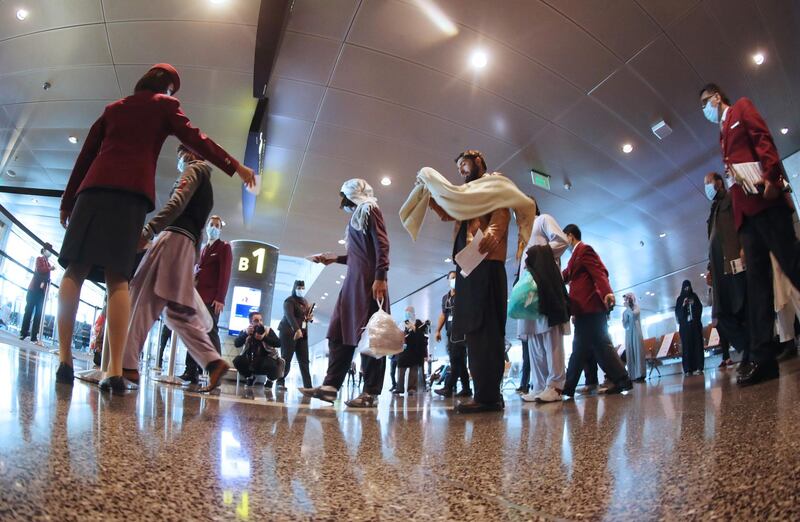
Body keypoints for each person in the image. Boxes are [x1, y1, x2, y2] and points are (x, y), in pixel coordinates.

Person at [56, 63, 255, 392]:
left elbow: (86, 155)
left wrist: (67, 200)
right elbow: (198, 139)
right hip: (130, 195)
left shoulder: (112, 109)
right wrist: (235, 165)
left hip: (91, 192)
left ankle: (65, 359)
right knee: (119, 279)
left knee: (74, 270)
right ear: (168, 90)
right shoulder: (165, 105)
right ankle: (116, 370)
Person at [699, 82, 800, 386]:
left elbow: (762, 137)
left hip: (766, 201)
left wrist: (771, 175)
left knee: (792, 262)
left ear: (717, 97)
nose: (704, 109)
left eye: (705, 102)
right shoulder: (721, 134)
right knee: (758, 287)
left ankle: (763, 354)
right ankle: (763, 358)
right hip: (747, 218)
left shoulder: (741, 107)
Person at [122, 145, 237, 393]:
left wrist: (149, 230)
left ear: (192, 153)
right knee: (177, 312)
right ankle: (212, 361)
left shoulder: (194, 171)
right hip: (186, 247)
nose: (180, 158)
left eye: (182, 152)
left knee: (142, 297)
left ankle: (127, 365)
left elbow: (177, 202)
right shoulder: (207, 183)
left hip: (173, 238)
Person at [428, 150, 512, 413]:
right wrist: (430, 198)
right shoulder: (466, 195)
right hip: (468, 265)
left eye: (464, 165)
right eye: (460, 168)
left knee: (487, 330)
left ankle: (489, 397)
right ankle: (483, 395)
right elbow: (449, 213)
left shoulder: (493, 183)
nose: (462, 171)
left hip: (486, 262)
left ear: (477, 161)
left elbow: (501, 215)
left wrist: (488, 239)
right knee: (474, 332)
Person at [300, 179, 390, 408]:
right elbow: (359, 255)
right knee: (339, 330)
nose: (344, 204)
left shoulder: (370, 209)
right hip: (353, 282)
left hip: (368, 282)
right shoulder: (359, 215)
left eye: (345, 198)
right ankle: (331, 386)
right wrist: (335, 259)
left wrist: (381, 276)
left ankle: (371, 392)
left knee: (372, 337)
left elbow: (382, 244)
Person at [561, 224, 632, 397]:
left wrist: (607, 292)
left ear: (570, 236)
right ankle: (622, 380)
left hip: (590, 306)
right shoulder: (573, 258)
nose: (564, 243)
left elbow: (598, 272)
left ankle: (567, 388)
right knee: (600, 346)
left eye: (564, 238)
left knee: (581, 348)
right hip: (584, 309)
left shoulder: (585, 250)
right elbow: (566, 275)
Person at [518, 205, 570, 403]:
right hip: (529, 290)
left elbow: (561, 241)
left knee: (550, 333)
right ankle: (539, 385)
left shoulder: (542, 220)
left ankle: (555, 386)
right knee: (533, 336)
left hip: (545, 283)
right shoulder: (522, 235)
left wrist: (539, 255)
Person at [179, 214, 233, 384]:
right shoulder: (203, 249)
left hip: (211, 299)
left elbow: (225, 273)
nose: (213, 228)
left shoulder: (224, 247)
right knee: (194, 332)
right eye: (211, 224)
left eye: (217, 225)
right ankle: (191, 370)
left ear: (221, 229)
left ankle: (216, 371)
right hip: (197, 296)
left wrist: (220, 298)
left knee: (210, 332)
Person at [704, 171, 749, 368]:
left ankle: (751, 352)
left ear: (719, 183)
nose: (706, 187)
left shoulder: (730, 198)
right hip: (719, 270)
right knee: (721, 316)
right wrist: (709, 268)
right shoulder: (713, 211)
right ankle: (748, 348)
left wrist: (743, 247)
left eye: (708, 182)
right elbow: (712, 241)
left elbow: (742, 222)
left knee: (741, 309)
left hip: (734, 263)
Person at [434, 271, 471, 398]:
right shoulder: (446, 298)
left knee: (455, 360)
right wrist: (438, 330)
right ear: (448, 280)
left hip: (461, 333)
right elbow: (443, 315)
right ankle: (466, 388)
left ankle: (448, 387)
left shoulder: (464, 295)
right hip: (450, 334)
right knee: (459, 362)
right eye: (452, 278)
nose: (454, 280)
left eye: (455, 278)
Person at [277, 280, 313, 389]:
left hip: (302, 334)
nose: (301, 290)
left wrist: (309, 318)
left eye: (302, 288)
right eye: (299, 288)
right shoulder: (289, 301)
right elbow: (289, 316)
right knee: (286, 358)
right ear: (294, 288)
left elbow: (304, 317)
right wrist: (297, 329)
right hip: (288, 333)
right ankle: (280, 381)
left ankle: (308, 386)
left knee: (304, 360)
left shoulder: (304, 302)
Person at [232, 311, 283, 387]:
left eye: (261, 320)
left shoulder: (267, 330)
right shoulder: (245, 331)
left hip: (267, 359)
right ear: (250, 322)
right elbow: (237, 344)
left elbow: (278, 343)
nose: (259, 323)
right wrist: (245, 334)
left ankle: (270, 381)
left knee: (272, 364)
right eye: (256, 321)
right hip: (250, 360)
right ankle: (250, 377)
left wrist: (264, 338)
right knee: (237, 361)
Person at [19, 244, 55, 342]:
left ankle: (34, 336)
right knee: (29, 311)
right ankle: (23, 332)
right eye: (48, 250)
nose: (49, 252)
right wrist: (50, 269)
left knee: (38, 314)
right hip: (33, 289)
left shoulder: (48, 264)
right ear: (43, 250)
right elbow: (39, 270)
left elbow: (47, 277)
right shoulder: (39, 259)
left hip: (41, 292)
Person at [394, 307, 428, 396]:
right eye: (406, 312)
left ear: (413, 313)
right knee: (401, 369)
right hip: (404, 351)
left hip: (415, 350)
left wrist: (414, 328)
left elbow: (422, 335)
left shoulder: (418, 323)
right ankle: (399, 388)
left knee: (414, 370)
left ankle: (412, 388)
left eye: (409, 312)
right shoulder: (402, 323)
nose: (407, 314)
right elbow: (398, 335)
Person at [675, 280, 705, 376]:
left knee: (698, 345)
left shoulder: (694, 296)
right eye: (685, 288)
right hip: (685, 328)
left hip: (695, 325)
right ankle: (688, 369)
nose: (687, 290)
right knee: (687, 347)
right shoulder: (679, 299)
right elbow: (678, 314)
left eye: (688, 287)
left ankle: (699, 367)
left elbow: (700, 308)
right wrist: (684, 305)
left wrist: (693, 304)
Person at [622, 293, 646, 383]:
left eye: (628, 299)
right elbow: (624, 324)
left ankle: (640, 374)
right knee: (631, 353)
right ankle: (632, 375)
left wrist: (628, 308)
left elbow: (633, 316)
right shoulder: (624, 312)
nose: (627, 301)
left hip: (636, 332)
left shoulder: (637, 308)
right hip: (628, 334)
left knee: (638, 353)